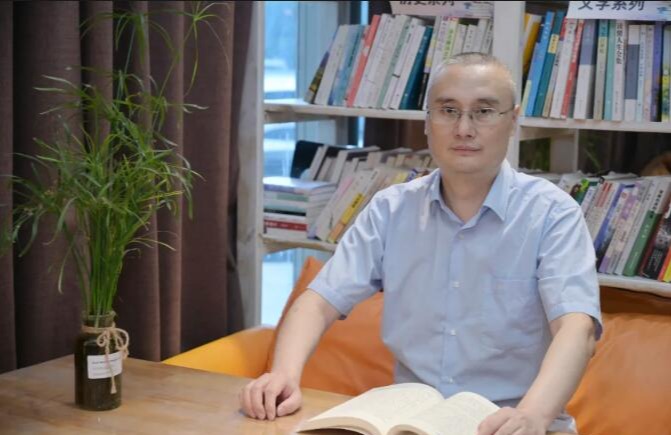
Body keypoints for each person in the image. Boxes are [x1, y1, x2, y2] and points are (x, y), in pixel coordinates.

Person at [239, 53, 602, 435]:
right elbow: (318, 302)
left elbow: (577, 330)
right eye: (448, 110)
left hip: (515, 424)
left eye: (483, 112)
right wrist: (283, 374)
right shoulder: (390, 209)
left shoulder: (552, 214)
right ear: (427, 122)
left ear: (512, 121)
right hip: (416, 424)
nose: (464, 128)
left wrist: (533, 415)